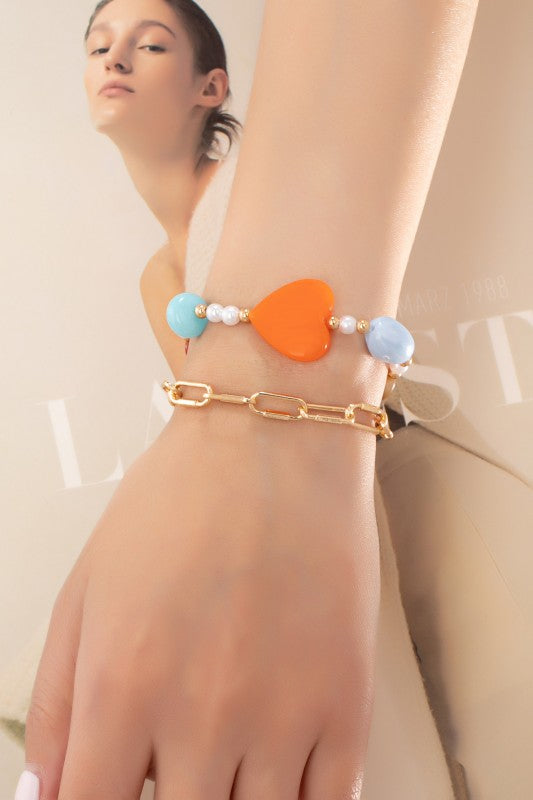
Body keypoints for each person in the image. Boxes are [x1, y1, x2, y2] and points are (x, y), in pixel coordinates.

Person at [7, 1, 489, 798]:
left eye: (148, 44)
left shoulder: (238, 213)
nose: (114, 60)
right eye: (98, 46)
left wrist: (259, 431)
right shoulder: (164, 278)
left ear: (212, 85)